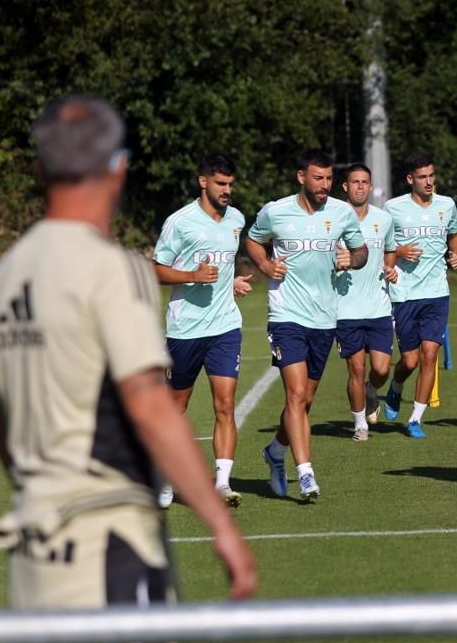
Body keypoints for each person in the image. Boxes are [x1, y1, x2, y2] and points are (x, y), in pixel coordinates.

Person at [0, 96, 257, 643]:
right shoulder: (111, 268)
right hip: (109, 545)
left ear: (41, 170)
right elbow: (150, 404)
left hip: (33, 545)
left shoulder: (5, 273)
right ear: (118, 169)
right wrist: (219, 521)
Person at [246, 149, 368, 499]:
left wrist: (351, 259)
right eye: (318, 178)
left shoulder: (342, 212)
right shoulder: (275, 211)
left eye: (329, 178)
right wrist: (265, 266)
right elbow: (253, 240)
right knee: (296, 394)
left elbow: (361, 252)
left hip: (325, 318)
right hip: (286, 316)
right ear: (301, 177)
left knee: (305, 400)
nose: (325, 185)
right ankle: (305, 473)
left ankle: (275, 452)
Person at [152, 154, 253, 508]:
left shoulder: (236, 219)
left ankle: (222, 484)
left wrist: (232, 282)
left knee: (225, 404)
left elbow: (224, 265)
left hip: (226, 327)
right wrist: (192, 276)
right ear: (203, 182)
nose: (227, 190)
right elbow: (157, 269)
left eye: (230, 185)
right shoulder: (180, 222)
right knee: (175, 407)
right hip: (185, 330)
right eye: (220, 184)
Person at [382, 151, 457, 438]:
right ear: (410, 179)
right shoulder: (392, 208)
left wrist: (455, 253)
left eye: (431, 175)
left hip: (437, 292)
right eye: (422, 177)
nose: (429, 182)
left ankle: (415, 419)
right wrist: (399, 251)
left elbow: (454, 234)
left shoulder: (447, 205)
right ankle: (395, 387)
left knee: (430, 355)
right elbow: (381, 244)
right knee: (410, 361)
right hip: (404, 292)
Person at [333, 163, 396, 440]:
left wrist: (390, 268)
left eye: (364, 182)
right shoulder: (333, 219)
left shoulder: (384, 219)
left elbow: (390, 250)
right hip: (345, 308)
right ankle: (360, 425)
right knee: (356, 368)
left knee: (381, 369)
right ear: (345, 186)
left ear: (371, 187)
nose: (360, 186)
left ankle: (372, 391)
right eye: (354, 182)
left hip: (379, 306)